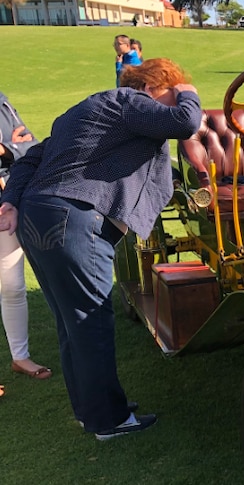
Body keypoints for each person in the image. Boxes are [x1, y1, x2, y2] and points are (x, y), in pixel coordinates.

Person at [0, 58, 202, 440]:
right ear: (153, 87)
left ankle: (91, 410)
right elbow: (186, 123)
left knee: (70, 320)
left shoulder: (81, 111)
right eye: (170, 92)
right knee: (91, 320)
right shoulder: (130, 101)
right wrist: (188, 94)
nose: (173, 100)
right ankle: (109, 421)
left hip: (37, 216)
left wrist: (10, 200)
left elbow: (30, 161)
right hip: (75, 219)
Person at [0, 91, 52, 381]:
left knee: (13, 285)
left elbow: (31, 145)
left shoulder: (2, 100)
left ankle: (20, 357)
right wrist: (10, 147)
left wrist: (6, 150)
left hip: (6, 201)